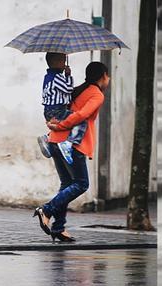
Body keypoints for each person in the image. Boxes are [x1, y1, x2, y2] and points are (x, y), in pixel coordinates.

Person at [33, 61, 110, 242]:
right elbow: (81, 115)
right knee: (81, 184)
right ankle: (47, 210)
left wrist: (55, 126)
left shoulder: (76, 89)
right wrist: (62, 125)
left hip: (55, 141)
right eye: (107, 76)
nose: (109, 79)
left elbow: (58, 109)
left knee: (67, 184)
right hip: (71, 145)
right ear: (103, 76)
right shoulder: (96, 94)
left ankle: (58, 228)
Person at [36, 52, 86, 165]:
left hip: (49, 111)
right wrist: (68, 75)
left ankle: (48, 138)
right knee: (80, 120)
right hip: (57, 110)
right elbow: (68, 89)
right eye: (63, 61)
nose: (64, 65)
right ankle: (68, 143)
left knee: (62, 126)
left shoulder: (47, 77)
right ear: (56, 63)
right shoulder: (57, 77)